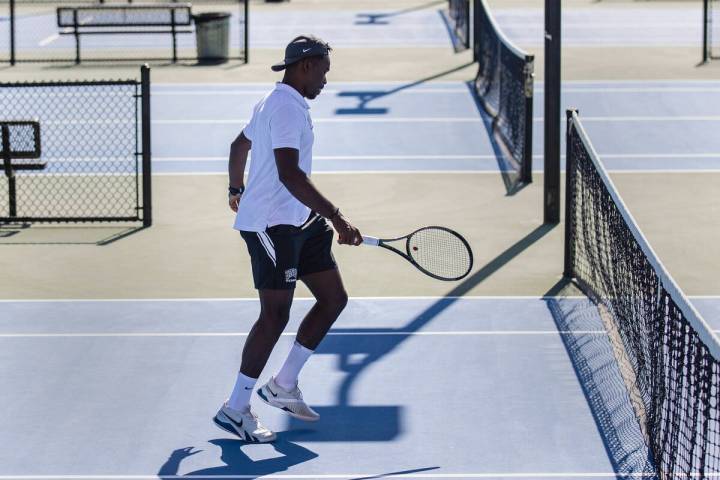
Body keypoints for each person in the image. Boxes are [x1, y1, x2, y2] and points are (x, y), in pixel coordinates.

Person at [213, 35, 362, 443]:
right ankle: (236, 408)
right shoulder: (284, 108)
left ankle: (283, 384)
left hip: (299, 220)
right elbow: (289, 174)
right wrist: (337, 216)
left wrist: (234, 187)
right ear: (306, 66)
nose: (326, 81)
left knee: (333, 298)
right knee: (275, 315)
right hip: (270, 224)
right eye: (325, 71)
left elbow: (238, 145)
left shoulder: (276, 103)